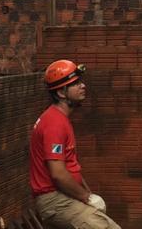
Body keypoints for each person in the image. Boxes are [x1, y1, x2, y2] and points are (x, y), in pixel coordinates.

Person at [29, 59, 119, 229]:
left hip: (64, 197)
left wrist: (89, 195)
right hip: (55, 201)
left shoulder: (59, 119)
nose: (83, 86)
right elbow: (58, 174)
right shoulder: (54, 123)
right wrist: (86, 198)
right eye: (75, 83)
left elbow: (70, 167)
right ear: (62, 93)